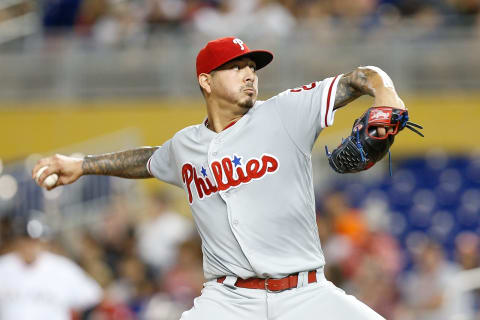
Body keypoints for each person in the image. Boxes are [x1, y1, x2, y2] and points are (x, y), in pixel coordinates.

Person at [33, 36, 407, 319]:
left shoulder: (286, 111)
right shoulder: (185, 146)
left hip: (305, 294)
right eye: (236, 67)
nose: (249, 74)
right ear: (206, 81)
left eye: (252, 67)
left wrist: (386, 94)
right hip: (227, 302)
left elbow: (363, 77)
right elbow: (148, 160)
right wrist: (83, 164)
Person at [0, 217, 103, 320]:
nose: (29, 246)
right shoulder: (4, 266)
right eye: (25, 241)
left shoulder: (62, 268)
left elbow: (93, 297)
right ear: (17, 242)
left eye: (33, 241)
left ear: (42, 242)